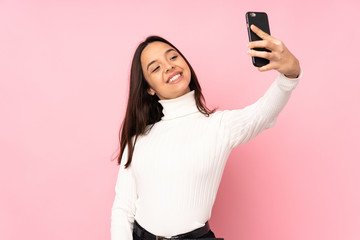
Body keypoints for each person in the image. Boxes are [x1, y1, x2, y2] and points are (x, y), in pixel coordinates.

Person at [110, 24, 302, 240]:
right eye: (155, 68)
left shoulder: (219, 126)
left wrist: (289, 75)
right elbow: (123, 209)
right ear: (149, 88)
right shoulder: (137, 140)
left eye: (172, 57)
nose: (169, 67)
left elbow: (262, 114)